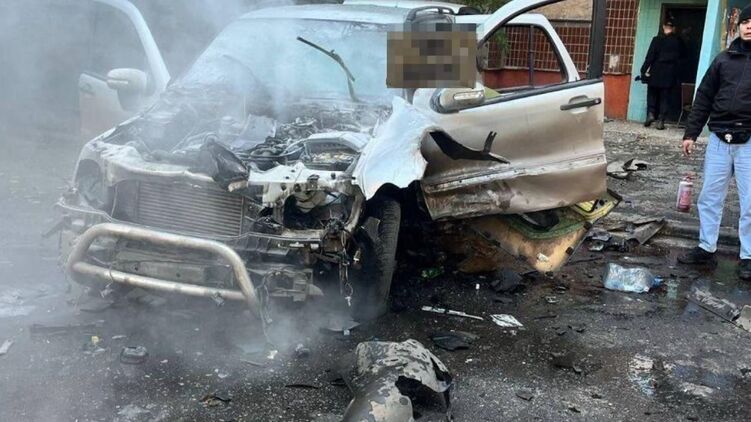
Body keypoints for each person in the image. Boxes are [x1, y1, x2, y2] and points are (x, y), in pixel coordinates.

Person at [678, 5, 751, 280]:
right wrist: (691, 134)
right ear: (738, 26)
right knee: (709, 197)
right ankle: (706, 248)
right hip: (719, 139)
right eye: (745, 22)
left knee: (750, 203)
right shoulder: (723, 60)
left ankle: (748, 256)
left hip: (749, 142)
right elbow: (704, 97)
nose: (749, 26)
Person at [640, 17, 685, 130]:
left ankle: (651, 114)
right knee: (665, 97)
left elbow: (650, 56)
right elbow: (682, 58)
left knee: (652, 93)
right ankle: (661, 120)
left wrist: (643, 70)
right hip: (669, 72)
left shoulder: (656, 39)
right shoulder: (678, 41)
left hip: (656, 70)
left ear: (664, 26)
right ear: (673, 28)